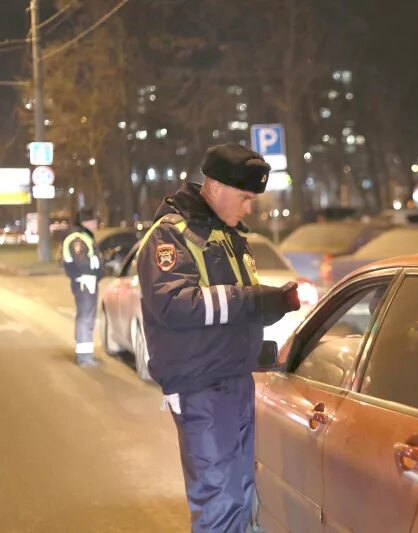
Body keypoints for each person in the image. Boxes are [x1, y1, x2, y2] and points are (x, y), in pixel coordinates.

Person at [136, 143, 301, 532]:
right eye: (245, 198)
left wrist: (266, 315)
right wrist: (256, 301)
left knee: (241, 494)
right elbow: (175, 304)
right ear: (214, 186)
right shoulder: (172, 236)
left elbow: (229, 311)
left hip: (233, 380)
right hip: (201, 386)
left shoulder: (227, 236)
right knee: (219, 501)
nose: (249, 209)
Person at [62, 206, 103, 367]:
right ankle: (84, 358)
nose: (95, 225)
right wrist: (96, 265)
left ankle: (86, 355)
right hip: (84, 282)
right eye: (93, 221)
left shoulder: (84, 236)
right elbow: (81, 262)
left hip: (89, 282)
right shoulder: (77, 239)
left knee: (88, 318)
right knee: (85, 319)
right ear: (86, 222)